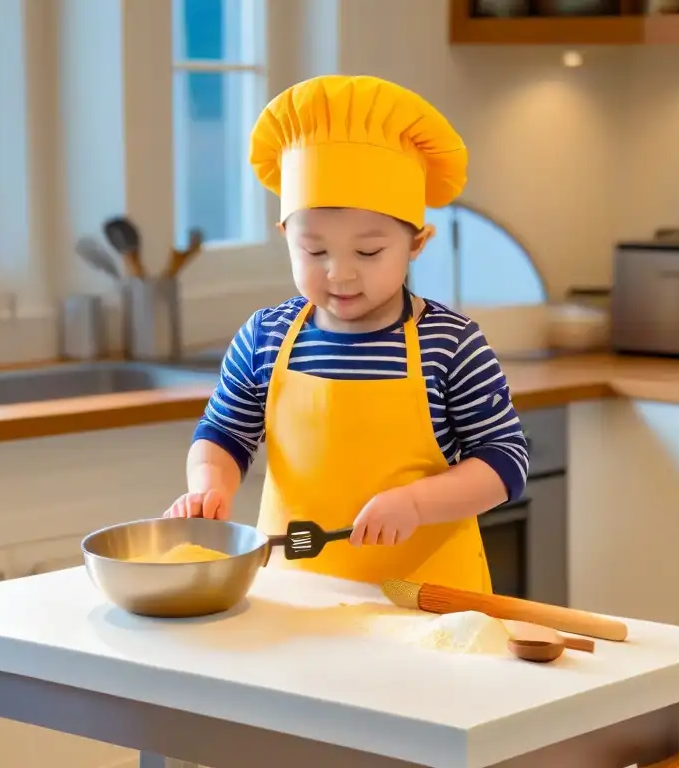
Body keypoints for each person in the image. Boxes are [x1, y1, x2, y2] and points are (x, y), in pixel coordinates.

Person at [166, 74, 529, 591]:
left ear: (417, 244)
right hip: (295, 598)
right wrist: (208, 486)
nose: (339, 273)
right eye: (315, 252)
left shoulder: (450, 343)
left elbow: (504, 461)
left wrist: (417, 502)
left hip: (429, 605)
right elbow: (224, 434)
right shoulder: (264, 337)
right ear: (285, 237)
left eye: (368, 252)